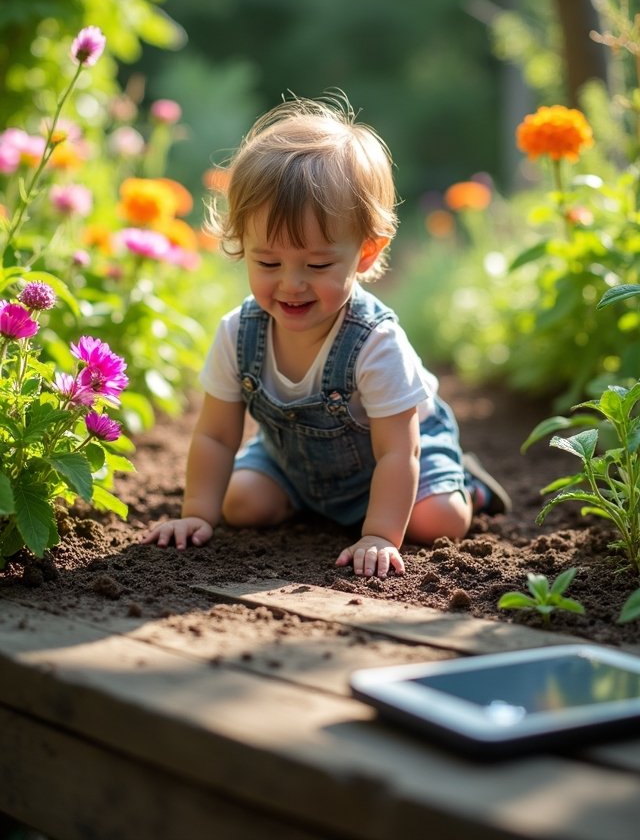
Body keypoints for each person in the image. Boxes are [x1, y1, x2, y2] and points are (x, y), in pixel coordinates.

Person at [142, 96, 510, 577]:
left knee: (436, 520)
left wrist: (379, 535)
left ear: (365, 253)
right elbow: (215, 434)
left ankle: (467, 483)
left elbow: (398, 452)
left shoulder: (375, 342)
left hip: (397, 459)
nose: (291, 283)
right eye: (268, 262)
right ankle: (312, 502)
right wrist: (196, 513)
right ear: (241, 245)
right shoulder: (239, 333)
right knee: (242, 504)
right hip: (295, 463)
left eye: (317, 265)